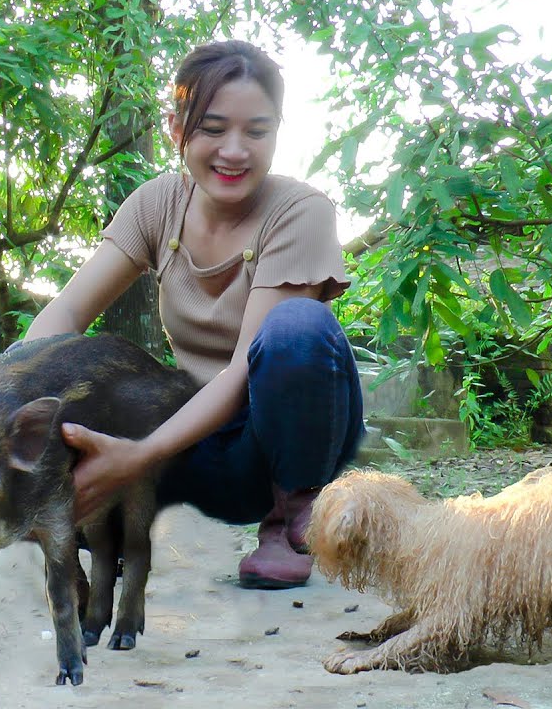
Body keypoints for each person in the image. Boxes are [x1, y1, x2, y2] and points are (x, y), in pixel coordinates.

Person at [22, 40, 364, 589]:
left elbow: (240, 372)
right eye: (212, 128)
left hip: (276, 437)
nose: (235, 150)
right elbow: (66, 313)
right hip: (199, 446)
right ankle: (90, 516)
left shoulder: (300, 211)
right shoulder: (157, 204)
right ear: (177, 128)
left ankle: (291, 520)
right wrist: (11, 403)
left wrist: (138, 455)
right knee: (79, 372)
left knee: (297, 329)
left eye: (257, 131)